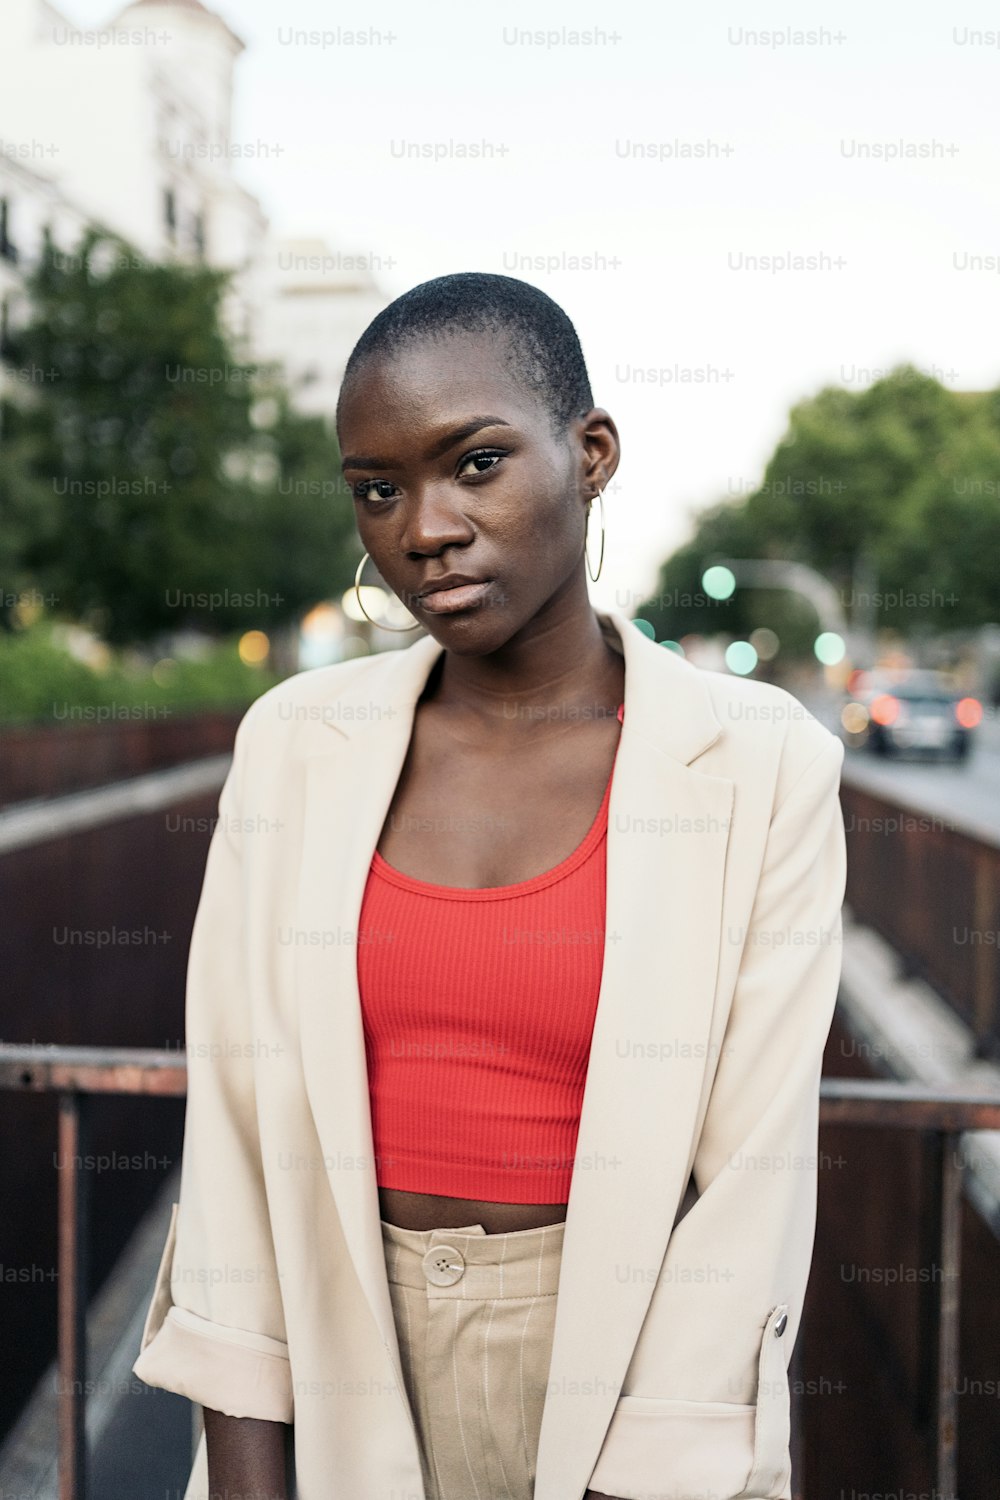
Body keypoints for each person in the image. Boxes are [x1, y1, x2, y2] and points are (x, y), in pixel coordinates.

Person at [132, 272, 847, 1500]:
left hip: (623, 1385)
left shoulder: (759, 763)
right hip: (337, 1361)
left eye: (474, 465)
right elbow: (238, 1149)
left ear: (592, 453)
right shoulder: (293, 746)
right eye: (377, 489)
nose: (424, 528)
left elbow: (748, 1194)